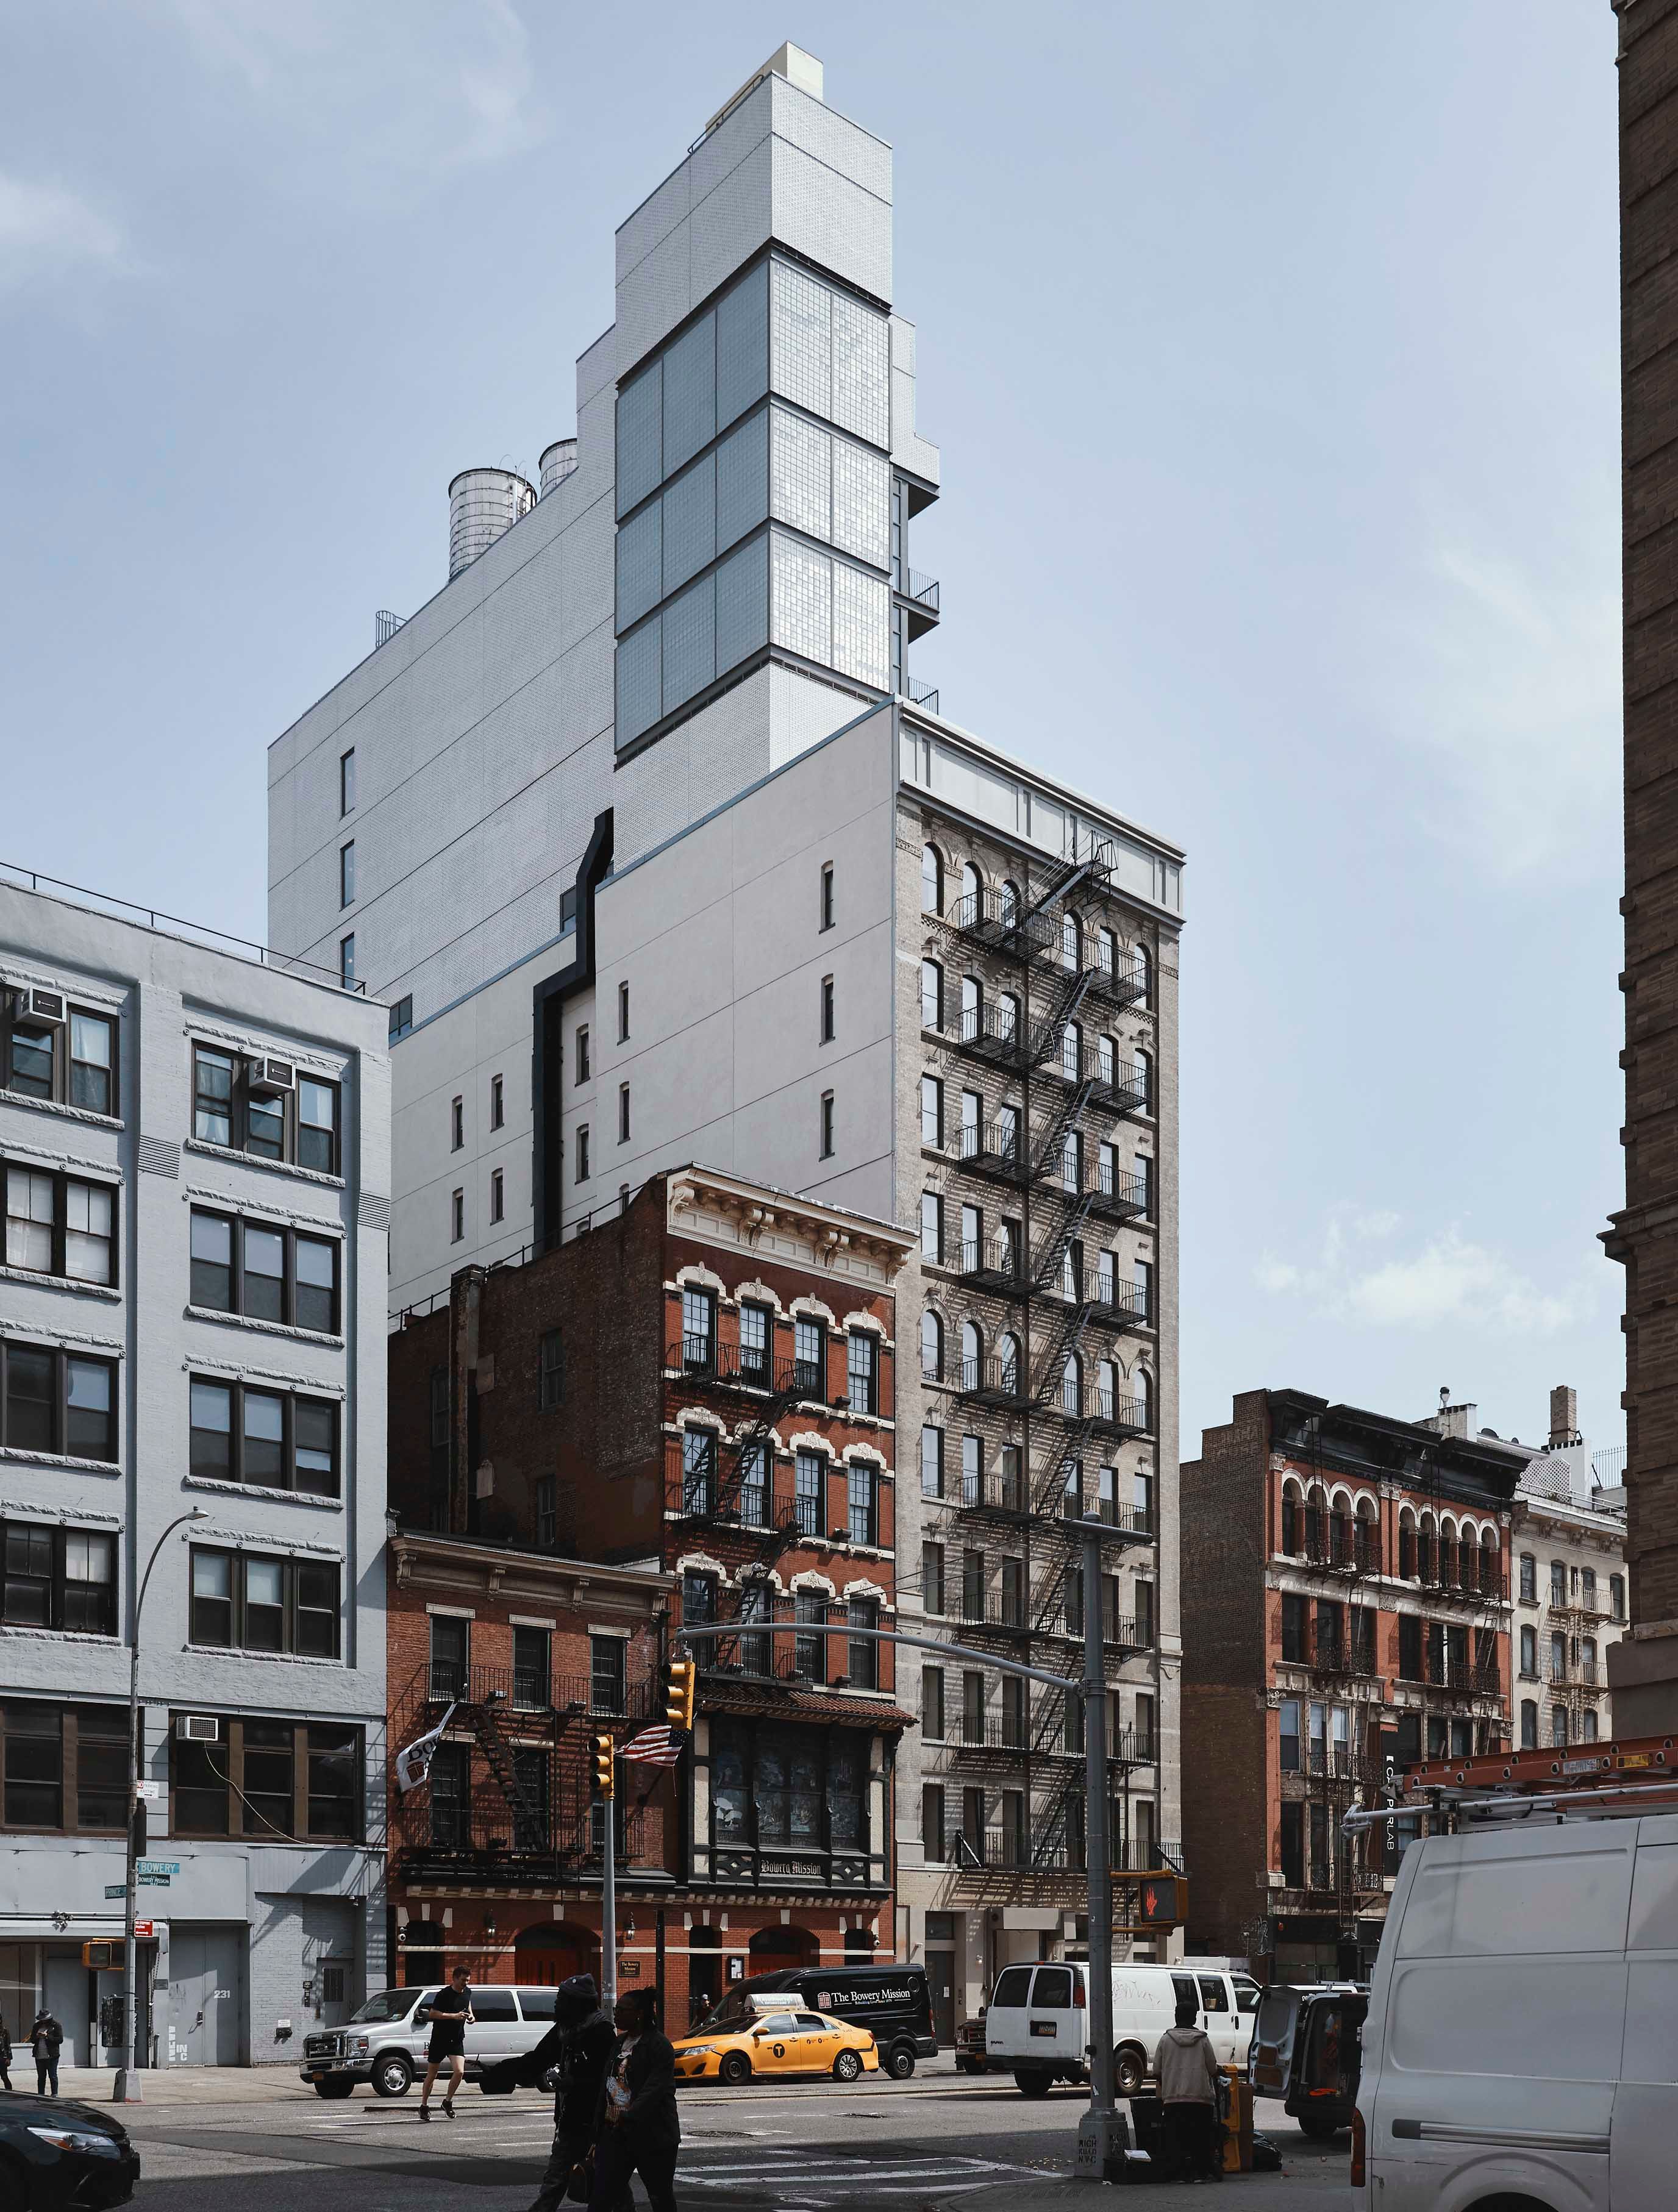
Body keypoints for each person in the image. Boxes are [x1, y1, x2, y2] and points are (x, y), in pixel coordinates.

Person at [485, 1972, 616, 2212]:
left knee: (608, 2184)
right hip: (570, 2119)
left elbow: (606, 2078)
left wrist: (574, 2083)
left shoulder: (602, 2032)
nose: (557, 2005)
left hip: (597, 2122)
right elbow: (538, 2059)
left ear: (579, 2004)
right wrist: (501, 2071)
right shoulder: (564, 2030)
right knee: (555, 2182)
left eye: (562, 2000)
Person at [591, 1988, 679, 2212]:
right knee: (602, 2197)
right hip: (616, 2134)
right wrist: (599, 2126)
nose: (616, 2014)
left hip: (653, 2136)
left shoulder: (659, 2046)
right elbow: (607, 2083)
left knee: (660, 2197)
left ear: (639, 2014)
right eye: (616, 2009)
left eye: (622, 2010)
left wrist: (629, 2116)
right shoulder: (619, 2043)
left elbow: (654, 2090)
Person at [1152, 1997, 1221, 2183]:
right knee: (1200, 2137)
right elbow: (1213, 2068)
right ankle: (1200, 2173)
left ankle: (1180, 2173)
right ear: (1194, 2018)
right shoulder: (1203, 2040)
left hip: (1173, 2099)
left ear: (1176, 2017)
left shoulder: (1165, 2040)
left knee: (1177, 2138)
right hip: (1201, 2098)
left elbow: (1156, 2071)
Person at [416, 1965, 473, 2119]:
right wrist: (454, 2016)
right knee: (432, 2074)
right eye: (463, 1980)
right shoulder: (444, 1994)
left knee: (460, 2071)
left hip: (457, 2039)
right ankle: (424, 2105)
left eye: (468, 1980)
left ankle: (447, 2102)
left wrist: (471, 2016)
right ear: (454, 1979)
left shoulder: (468, 1992)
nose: (465, 1983)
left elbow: (467, 2004)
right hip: (440, 2039)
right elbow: (433, 2014)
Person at [30, 2010, 62, 2098]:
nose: (43, 2021)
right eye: (42, 2020)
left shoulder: (56, 2026)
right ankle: (41, 2094)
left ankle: (54, 2094)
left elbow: (60, 2040)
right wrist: (37, 2036)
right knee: (41, 2077)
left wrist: (47, 2036)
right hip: (39, 2055)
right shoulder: (37, 2026)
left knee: (53, 2076)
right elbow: (32, 2040)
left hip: (52, 2056)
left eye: (45, 2020)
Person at [0, 2012, 12, 2092]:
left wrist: (9, 2058)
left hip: (2, 2057)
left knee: (4, 2077)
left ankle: (10, 2092)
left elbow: (8, 2045)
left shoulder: (4, 2031)